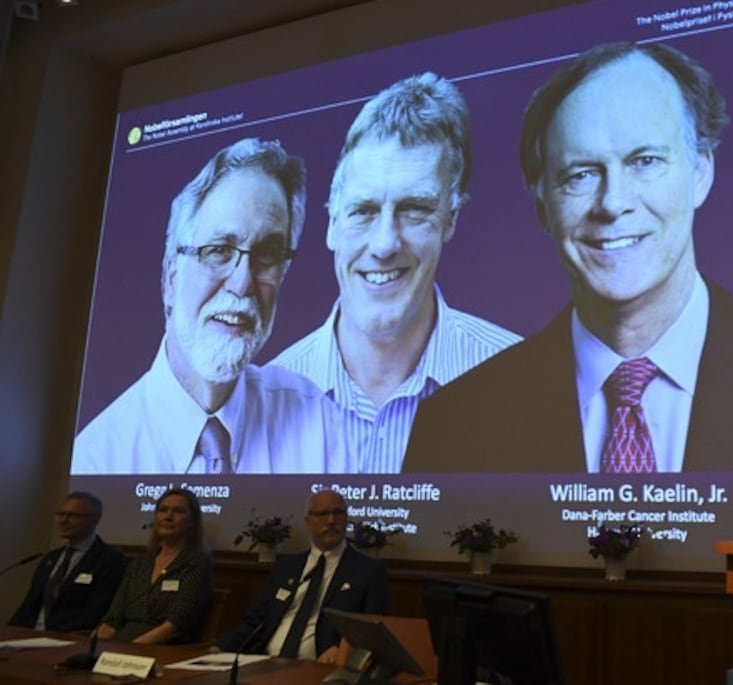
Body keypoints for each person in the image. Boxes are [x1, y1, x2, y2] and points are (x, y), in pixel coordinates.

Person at [404, 42, 733, 472]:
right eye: (580, 174)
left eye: (645, 162)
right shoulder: (457, 422)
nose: (613, 202)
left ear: (701, 172)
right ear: (542, 203)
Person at [271, 73, 520, 474]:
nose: (385, 244)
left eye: (415, 209)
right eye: (363, 211)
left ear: (449, 219)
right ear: (331, 224)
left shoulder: (523, 382)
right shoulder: (264, 398)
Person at [72, 137, 353, 474]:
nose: (242, 283)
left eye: (267, 255)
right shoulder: (97, 459)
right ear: (171, 278)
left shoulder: (320, 425)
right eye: (219, 250)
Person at [214, 489, 389, 662]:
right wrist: (219, 647)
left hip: (320, 666)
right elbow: (256, 619)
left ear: (346, 519)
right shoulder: (287, 567)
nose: (331, 520)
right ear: (308, 522)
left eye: (338, 513)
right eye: (323, 514)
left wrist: (344, 651)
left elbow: (373, 630)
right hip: (266, 660)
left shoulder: (368, 570)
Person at [97, 488, 213, 643]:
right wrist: (92, 646)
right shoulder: (141, 562)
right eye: (163, 510)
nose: (168, 517)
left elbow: (176, 625)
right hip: (121, 644)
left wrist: (131, 649)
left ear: (192, 521)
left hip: (161, 647)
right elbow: (113, 619)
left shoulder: (196, 562)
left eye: (178, 511)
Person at [8, 492, 126, 632]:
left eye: (72, 516)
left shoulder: (109, 560)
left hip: (69, 638)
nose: (63, 520)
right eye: (60, 514)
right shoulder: (50, 558)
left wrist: (55, 637)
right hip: (29, 635)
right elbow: (29, 605)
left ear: (94, 520)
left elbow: (96, 613)